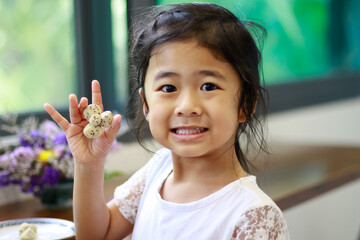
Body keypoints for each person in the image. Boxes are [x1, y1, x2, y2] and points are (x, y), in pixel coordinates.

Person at [44, 3, 290, 239]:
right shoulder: (158, 169)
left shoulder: (255, 217)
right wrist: (88, 165)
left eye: (208, 86)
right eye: (168, 87)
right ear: (146, 104)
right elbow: (97, 235)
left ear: (245, 104)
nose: (186, 107)